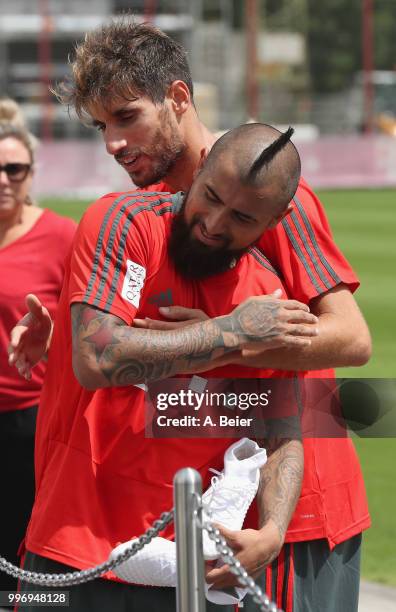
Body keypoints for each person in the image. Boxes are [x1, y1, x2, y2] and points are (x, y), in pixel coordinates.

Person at [10, 20, 371, 612]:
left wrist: (214, 341)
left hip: (285, 511)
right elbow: (126, 344)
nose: (113, 143)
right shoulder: (142, 215)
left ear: (179, 99)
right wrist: (62, 330)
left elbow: (350, 338)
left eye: (127, 117)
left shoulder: (265, 190)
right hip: (168, 505)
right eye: (101, 126)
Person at [13, 124, 318, 612]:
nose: (214, 223)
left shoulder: (270, 297)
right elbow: (98, 357)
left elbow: (283, 429)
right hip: (75, 547)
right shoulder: (125, 222)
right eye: (210, 196)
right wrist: (231, 336)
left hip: (198, 568)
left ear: (278, 217)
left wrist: (273, 532)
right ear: (198, 170)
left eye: (241, 216)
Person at [0, 99, 76, 598]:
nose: (4, 178)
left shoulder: (61, 237)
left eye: (15, 168)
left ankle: (31, 608)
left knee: (29, 543)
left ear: (31, 174)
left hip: (31, 418)